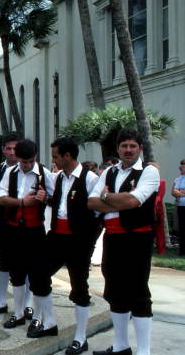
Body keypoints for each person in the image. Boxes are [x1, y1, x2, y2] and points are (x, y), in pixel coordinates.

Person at [88, 128, 160, 355]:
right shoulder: (109, 172)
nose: (128, 150)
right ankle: (121, 346)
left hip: (137, 237)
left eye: (132, 146)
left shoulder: (149, 172)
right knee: (115, 291)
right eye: (124, 146)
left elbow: (132, 201)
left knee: (138, 291)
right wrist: (113, 200)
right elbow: (91, 203)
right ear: (117, 149)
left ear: (140, 148)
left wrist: (106, 197)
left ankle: (144, 351)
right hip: (113, 237)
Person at [0, 139, 56, 333]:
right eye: (24, 162)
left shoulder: (45, 175)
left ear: (35, 157)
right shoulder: (10, 173)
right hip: (14, 229)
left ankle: (38, 317)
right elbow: (0, 198)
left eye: (30, 161)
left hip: (35, 230)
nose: (27, 165)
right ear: (18, 159)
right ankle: (18, 312)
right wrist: (22, 202)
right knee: (17, 273)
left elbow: (56, 200)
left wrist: (45, 198)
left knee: (38, 275)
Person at [47, 137, 100, 353]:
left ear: (67, 156)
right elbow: (61, 205)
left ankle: (80, 337)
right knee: (38, 274)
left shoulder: (90, 179)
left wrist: (88, 240)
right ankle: (48, 323)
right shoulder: (59, 178)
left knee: (79, 287)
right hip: (56, 237)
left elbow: (98, 213)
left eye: (55, 156)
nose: (54, 160)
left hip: (78, 241)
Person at [0, 132, 34, 318]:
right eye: (9, 148)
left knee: (27, 263)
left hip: (26, 225)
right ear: (3, 150)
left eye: (16, 148)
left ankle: (27, 304)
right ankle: (1, 301)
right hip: (2, 223)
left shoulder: (35, 171)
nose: (13, 152)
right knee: (3, 262)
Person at [148, 162, 166, 254]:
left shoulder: (161, 182)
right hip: (147, 208)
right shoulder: (146, 182)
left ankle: (161, 250)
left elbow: (159, 196)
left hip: (157, 209)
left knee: (159, 230)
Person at [172, 159, 185, 255]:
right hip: (181, 206)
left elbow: (177, 191)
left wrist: (179, 191)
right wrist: (181, 192)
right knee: (182, 228)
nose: (180, 168)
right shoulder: (180, 178)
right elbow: (173, 192)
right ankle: (182, 250)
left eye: (182, 166)